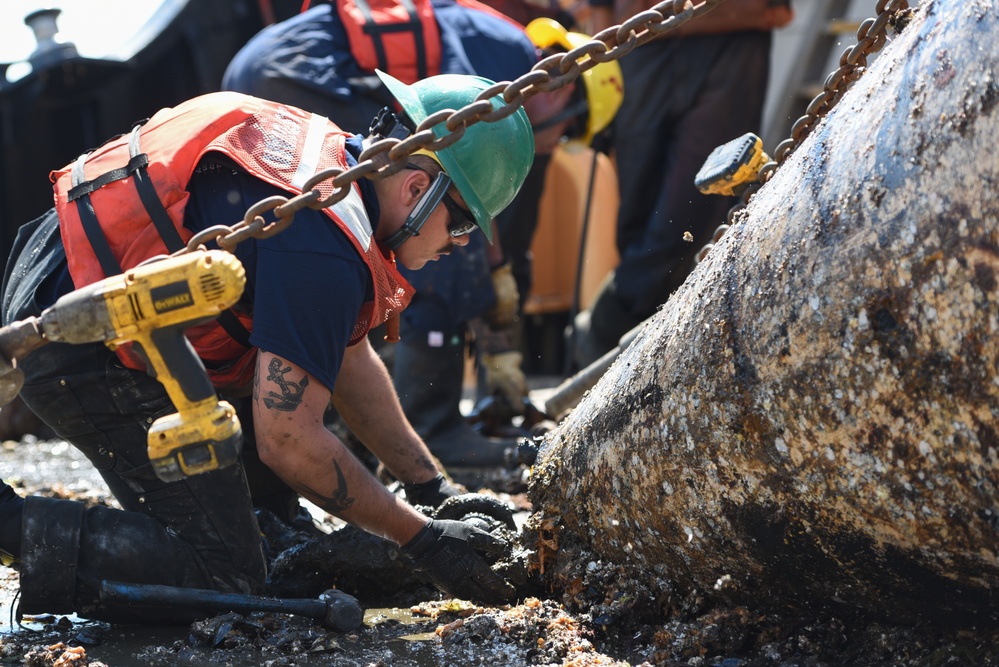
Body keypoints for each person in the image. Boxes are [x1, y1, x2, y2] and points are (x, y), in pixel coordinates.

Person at [0, 71, 533, 622]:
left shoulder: (337, 166)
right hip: (77, 334)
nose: (461, 243)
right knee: (227, 573)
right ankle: (8, 523)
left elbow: (347, 356)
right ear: (417, 191)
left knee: (282, 540)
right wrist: (424, 540)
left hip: (64, 260)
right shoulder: (323, 250)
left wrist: (429, 487)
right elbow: (288, 441)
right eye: (464, 222)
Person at [222, 2, 622, 467]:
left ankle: (357, 418)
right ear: (563, 85)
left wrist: (500, 278)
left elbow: (472, 200)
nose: (560, 141)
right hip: (300, 73)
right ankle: (434, 423)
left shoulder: (498, 46)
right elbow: (455, 179)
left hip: (271, 66)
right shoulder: (509, 62)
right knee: (429, 234)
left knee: (388, 232)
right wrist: (492, 304)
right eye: (572, 127)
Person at [572, 0, 793, 366]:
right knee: (637, 215)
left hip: (729, 40)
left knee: (686, 215)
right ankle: (635, 347)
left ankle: (606, 331)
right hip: (641, 45)